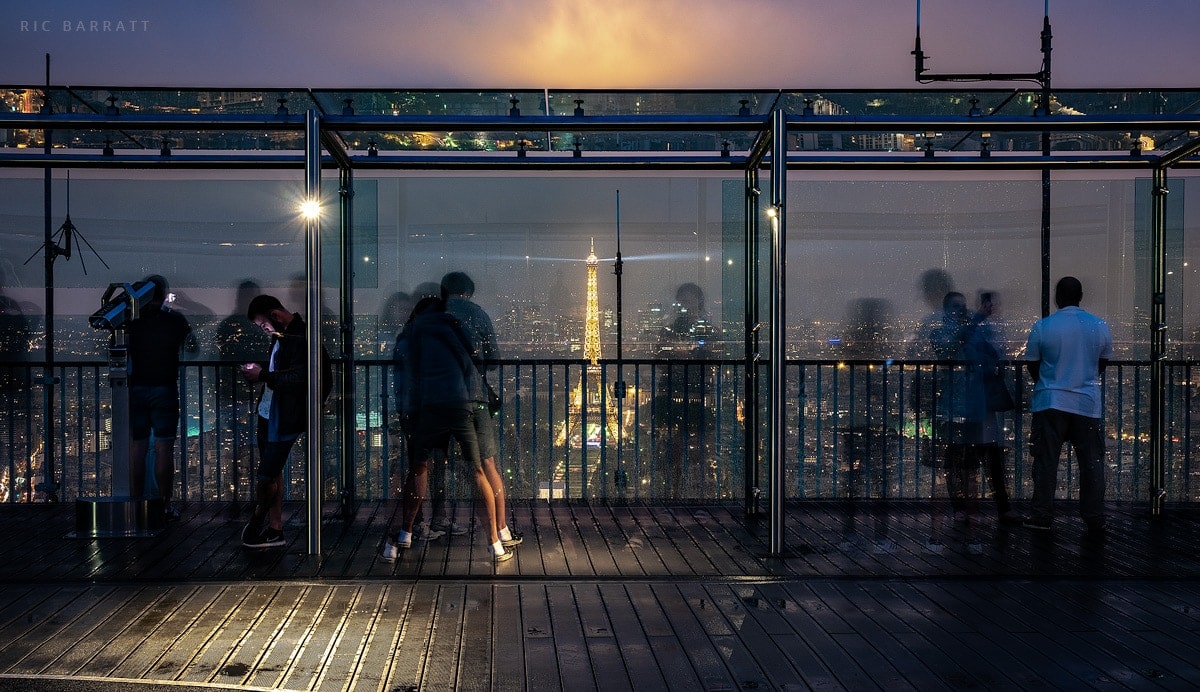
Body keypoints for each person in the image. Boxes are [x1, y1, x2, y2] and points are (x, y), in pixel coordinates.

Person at [381, 295, 517, 563]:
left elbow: (407, 374)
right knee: (477, 469)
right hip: (460, 404)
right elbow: (474, 362)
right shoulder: (455, 328)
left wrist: (406, 411)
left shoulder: (413, 334)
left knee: (418, 467)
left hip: (428, 407)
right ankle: (495, 542)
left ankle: (403, 534)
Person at [240, 294, 332, 548]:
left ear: (275, 315)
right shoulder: (287, 336)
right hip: (270, 412)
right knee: (272, 472)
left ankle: (260, 519)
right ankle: (275, 528)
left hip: (282, 415)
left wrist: (262, 376)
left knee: (267, 475)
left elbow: (300, 377)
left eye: (264, 325)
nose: (265, 330)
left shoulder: (299, 338)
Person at [1023, 276, 1113, 534]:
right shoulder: (1099, 326)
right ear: (1081, 295)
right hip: (1086, 403)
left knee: (1046, 462)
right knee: (1091, 463)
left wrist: (1051, 381)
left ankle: (1042, 516)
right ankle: (1094, 517)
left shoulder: (1044, 326)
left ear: (1057, 297)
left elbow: (1033, 364)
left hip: (1050, 401)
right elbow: (1102, 363)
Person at [440, 271, 520, 547]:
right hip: (474, 398)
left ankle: (431, 522)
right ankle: (501, 530)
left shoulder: (434, 315)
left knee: (436, 464)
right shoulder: (478, 314)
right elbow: (494, 359)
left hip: (440, 401)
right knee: (487, 465)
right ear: (469, 292)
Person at [125, 275, 196, 519]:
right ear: (163, 294)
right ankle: (164, 504)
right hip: (165, 387)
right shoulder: (174, 320)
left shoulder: (131, 321)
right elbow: (192, 347)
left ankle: (135, 502)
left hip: (136, 388)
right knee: (164, 447)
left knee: (137, 447)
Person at [653, 282, 715, 498]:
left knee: (690, 450)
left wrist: (681, 355)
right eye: (682, 302)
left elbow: (712, 362)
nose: (685, 306)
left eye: (688, 302)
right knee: (675, 451)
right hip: (681, 395)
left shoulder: (673, 330)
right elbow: (659, 360)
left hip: (684, 395)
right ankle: (679, 493)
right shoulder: (703, 330)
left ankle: (681, 494)